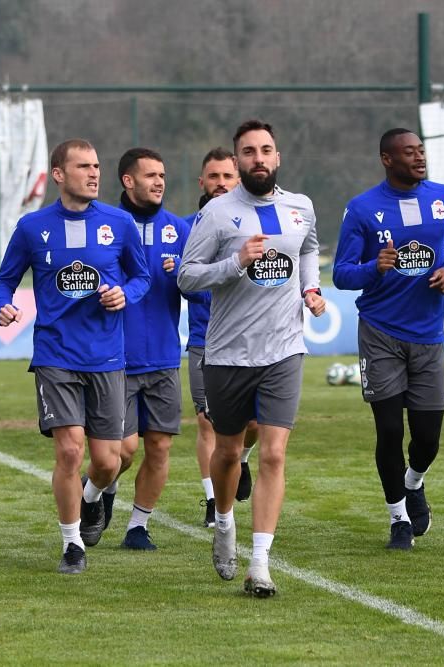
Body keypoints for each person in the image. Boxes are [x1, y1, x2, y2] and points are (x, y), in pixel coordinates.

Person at [178, 119, 325, 597]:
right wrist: (235, 263)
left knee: (275, 453)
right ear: (237, 162)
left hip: (284, 349)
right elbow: (187, 277)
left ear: (277, 157)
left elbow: (308, 249)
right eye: (248, 152)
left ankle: (260, 563)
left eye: (266, 150)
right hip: (227, 353)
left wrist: (311, 288)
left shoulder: (300, 207)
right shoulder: (217, 215)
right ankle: (224, 524)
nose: (258, 158)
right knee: (227, 453)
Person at [0, 139, 149, 574]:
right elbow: (3, 281)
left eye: (97, 166)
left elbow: (142, 277)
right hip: (55, 353)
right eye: (84, 167)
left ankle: (93, 496)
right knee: (68, 451)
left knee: (108, 460)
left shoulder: (119, 223)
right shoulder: (32, 227)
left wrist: (124, 293)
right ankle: (72, 544)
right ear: (59, 174)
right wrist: (1, 305)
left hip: (107, 357)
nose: (94, 173)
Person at [333, 128, 444, 550]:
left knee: (427, 437)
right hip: (380, 333)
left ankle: (414, 482)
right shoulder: (361, 209)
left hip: (428, 335)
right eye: (408, 152)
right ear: (386, 160)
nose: (419, 157)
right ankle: (398, 520)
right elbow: (341, 274)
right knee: (390, 430)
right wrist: (375, 266)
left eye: (421, 151)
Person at [97, 147, 191, 550]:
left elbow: (202, 291)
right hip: (117, 359)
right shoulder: (106, 228)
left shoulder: (179, 230)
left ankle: (138, 526)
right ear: (127, 181)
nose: (159, 182)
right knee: (124, 450)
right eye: (150, 175)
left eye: (163, 175)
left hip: (165, 358)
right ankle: (100, 494)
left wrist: (183, 279)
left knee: (160, 447)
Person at [184, 148, 258, 527]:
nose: (220, 183)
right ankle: (214, 499)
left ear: (239, 179)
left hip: (250, 342)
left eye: (227, 176)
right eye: (213, 176)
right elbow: (183, 280)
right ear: (202, 182)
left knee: (255, 425)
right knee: (207, 422)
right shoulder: (187, 228)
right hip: (204, 339)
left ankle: (240, 460)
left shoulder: (253, 225)